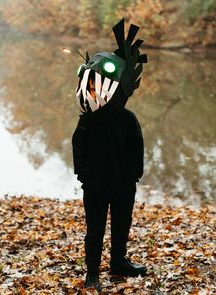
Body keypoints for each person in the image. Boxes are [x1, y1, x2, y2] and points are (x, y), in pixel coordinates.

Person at [72, 18, 148, 291]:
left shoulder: (128, 119)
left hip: (123, 186)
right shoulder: (87, 121)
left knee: (121, 225)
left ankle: (118, 262)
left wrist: (132, 177)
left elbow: (136, 148)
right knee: (94, 231)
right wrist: (85, 176)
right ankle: (92, 272)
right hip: (95, 186)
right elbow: (78, 149)